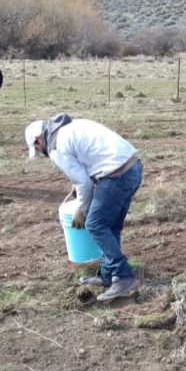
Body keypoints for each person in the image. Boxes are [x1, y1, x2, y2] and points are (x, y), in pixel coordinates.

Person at [25, 114, 143, 302]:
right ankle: (107, 274)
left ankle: (123, 276)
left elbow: (85, 184)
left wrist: (81, 209)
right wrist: (78, 184)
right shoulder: (72, 126)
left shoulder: (55, 147)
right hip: (133, 167)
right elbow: (88, 160)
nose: (41, 152)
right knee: (109, 226)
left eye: (38, 149)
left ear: (38, 140)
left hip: (116, 174)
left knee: (95, 225)